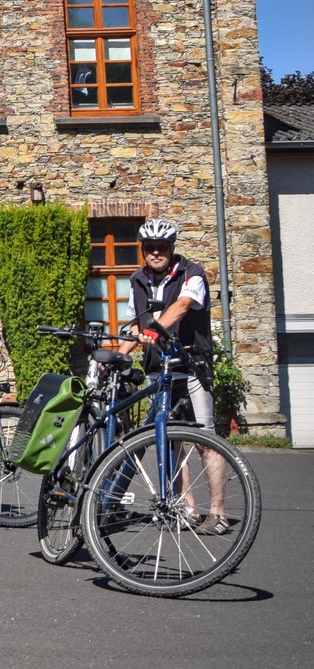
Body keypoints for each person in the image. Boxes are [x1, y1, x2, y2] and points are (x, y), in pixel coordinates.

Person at [131, 217, 228, 532]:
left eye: (162, 247)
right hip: (159, 369)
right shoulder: (137, 280)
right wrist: (114, 355)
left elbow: (184, 306)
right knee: (170, 441)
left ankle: (217, 513)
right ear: (144, 250)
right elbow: (135, 324)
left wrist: (154, 332)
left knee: (206, 440)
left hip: (192, 365)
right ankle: (186, 509)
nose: (156, 252)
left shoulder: (191, 273)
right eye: (151, 248)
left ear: (171, 248)